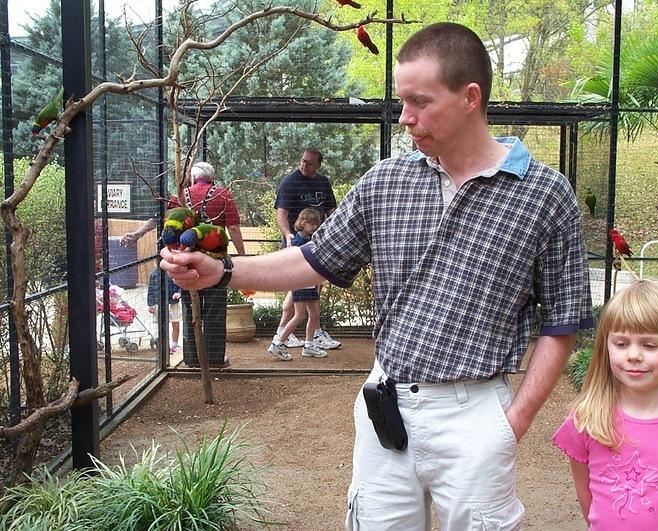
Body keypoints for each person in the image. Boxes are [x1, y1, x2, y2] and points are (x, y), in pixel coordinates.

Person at [161, 22, 593, 529]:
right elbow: (312, 259)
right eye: (401, 100)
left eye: (419, 101)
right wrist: (223, 270)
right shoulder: (386, 181)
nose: (405, 117)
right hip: (385, 404)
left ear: (470, 96)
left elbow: (563, 322)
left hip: (477, 412)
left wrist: (511, 422)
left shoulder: (544, 195)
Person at [552, 280, 658, 530]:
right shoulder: (587, 418)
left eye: (649, 345)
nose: (634, 355)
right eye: (621, 344)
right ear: (606, 347)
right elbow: (587, 500)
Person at [170, 161, 246, 368]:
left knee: (189, 309)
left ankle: (192, 358)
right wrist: (242, 255)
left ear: (193, 178)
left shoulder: (179, 196)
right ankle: (214, 358)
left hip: (187, 261)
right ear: (212, 177)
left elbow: (168, 225)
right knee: (215, 310)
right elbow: (233, 227)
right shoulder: (223, 194)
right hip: (215, 261)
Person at [273, 147, 340, 350]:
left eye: (309, 162)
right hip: (296, 244)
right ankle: (286, 332)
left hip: (316, 244)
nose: (304, 165)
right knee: (298, 288)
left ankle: (307, 332)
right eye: (303, 161)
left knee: (309, 288)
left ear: (318, 165)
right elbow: (281, 213)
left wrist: (334, 234)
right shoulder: (289, 182)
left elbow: (332, 211)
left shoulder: (323, 182)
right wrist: (288, 236)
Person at [268, 208, 328, 361]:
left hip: (310, 281)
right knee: (299, 316)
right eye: (311, 224)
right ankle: (278, 343)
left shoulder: (310, 239)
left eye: (316, 224)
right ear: (302, 223)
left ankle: (308, 345)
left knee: (314, 314)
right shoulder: (297, 242)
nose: (314, 227)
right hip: (301, 282)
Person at [147, 266, 182, 353]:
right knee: (162, 325)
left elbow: (181, 284)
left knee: (176, 323)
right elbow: (150, 289)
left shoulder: (175, 271)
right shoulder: (154, 274)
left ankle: (174, 345)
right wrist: (150, 304)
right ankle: (165, 346)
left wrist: (179, 293)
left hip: (173, 302)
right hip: (159, 303)